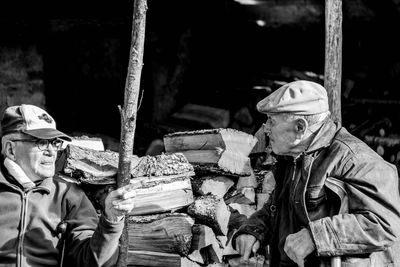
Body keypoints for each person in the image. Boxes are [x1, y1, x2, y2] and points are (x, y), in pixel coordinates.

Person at [233, 80, 400, 267]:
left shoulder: (356, 160)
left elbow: (385, 226)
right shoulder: (294, 156)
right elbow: (279, 205)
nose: (266, 128)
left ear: (300, 128)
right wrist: (255, 229)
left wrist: (315, 236)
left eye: (272, 121)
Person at [0, 104, 137, 267]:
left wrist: (111, 220)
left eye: (55, 143)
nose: (51, 151)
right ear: (10, 149)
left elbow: (92, 262)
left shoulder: (68, 195)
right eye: (42, 142)